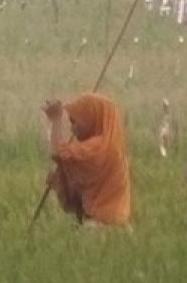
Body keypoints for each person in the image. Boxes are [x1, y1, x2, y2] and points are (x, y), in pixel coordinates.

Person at [42, 93, 132, 226]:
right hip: (117, 223)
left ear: (90, 119)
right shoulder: (111, 147)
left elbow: (59, 155)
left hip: (101, 224)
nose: (72, 129)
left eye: (74, 122)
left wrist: (56, 121)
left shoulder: (99, 147)